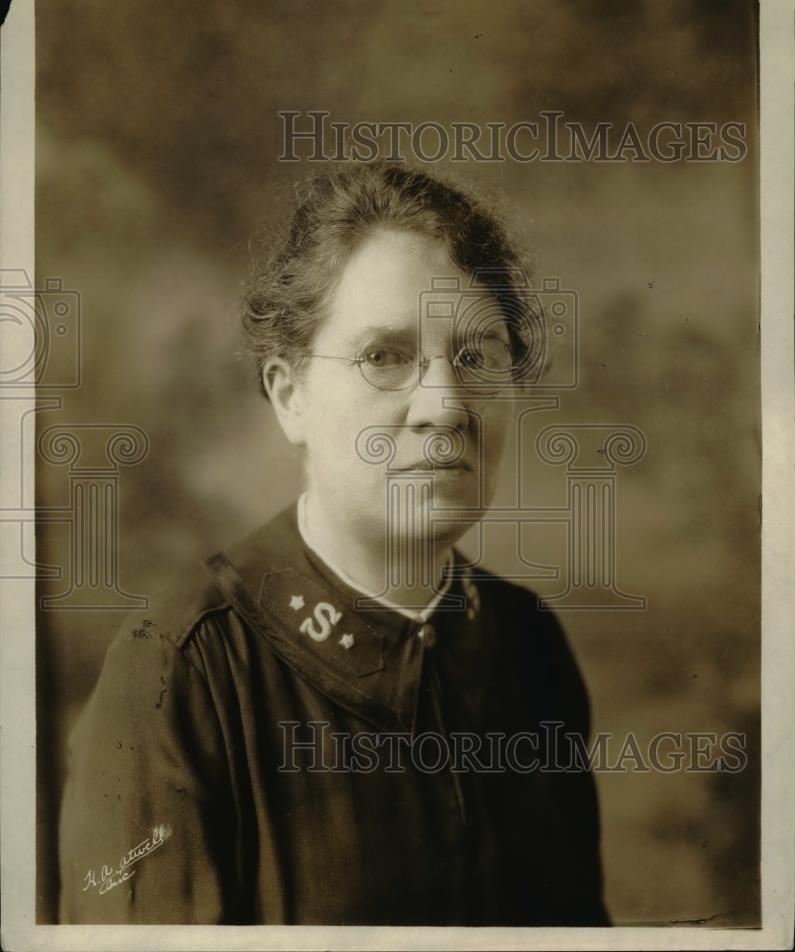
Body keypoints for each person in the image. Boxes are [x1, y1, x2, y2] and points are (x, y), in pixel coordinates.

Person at [58, 162, 609, 925]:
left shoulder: (527, 645)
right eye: (385, 356)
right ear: (290, 396)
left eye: (477, 356)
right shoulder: (179, 674)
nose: (444, 406)